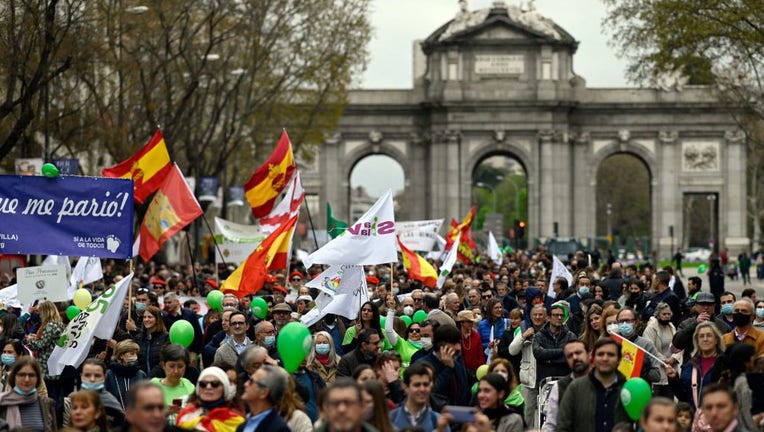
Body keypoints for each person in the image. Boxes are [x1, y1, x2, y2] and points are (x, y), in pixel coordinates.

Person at [556, 337, 631, 432]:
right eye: (600, 354)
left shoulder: (628, 389)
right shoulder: (575, 388)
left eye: (611, 355)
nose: (605, 358)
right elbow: (563, 426)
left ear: (619, 359)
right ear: (593, 358)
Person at [666, 322, 725, 411]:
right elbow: (683, 396)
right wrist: (674, 379)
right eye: (701, 336)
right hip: (695, 419)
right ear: (697, 341)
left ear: (716, 340)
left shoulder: (725, 363)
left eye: (709, 335)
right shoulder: (690, 365)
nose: (705, 339)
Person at [508, 303, 546, 428]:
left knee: (545, 416)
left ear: (546, 317)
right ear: (530, 316)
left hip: (545, 379)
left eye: (541, 314)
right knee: (526, 415)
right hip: (528, 379)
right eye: (535, 314)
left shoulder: (550, 330)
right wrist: (524, 337)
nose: (538, 317)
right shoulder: (524, 328)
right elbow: (512, 350)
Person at [176, 366, 245, 432]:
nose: (208, 387)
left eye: (215, 384)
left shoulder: (236, 422)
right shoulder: (185, 417)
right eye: (203, 384)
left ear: (225, 389)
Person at [542, 340, 591, 432]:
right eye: (570, 356)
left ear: (589, 354)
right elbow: (551, 424)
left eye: (578, 353)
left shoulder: (601, 382)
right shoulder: (559, 387)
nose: (575, 357)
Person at [418, 324, 470, 406]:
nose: (458, 347)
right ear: (440, 345)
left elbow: (464, 390)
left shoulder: (458, 361)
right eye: (453, 343)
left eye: (459, 343)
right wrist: (448, 368)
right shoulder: (423, 365)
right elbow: (433, 392)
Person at [63, 358, 124, 428]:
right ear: (81, 376)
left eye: (97, 375)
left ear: (104, 377)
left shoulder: (112, 403)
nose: (92, 379)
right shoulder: (70, 400)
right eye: (87, 375)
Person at [389, 362, 450, 431]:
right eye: (417, 385)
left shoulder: (438, 421)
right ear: (405, 386)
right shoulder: (391, 419)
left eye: (426, 384)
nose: (422, 389)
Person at [0, 357, 56, 431]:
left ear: (38, 378)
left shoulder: (46, 403)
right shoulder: (2, 402)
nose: (27, 379)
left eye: (31, 375)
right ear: (14, 377)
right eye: (22, 375)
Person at [25, 300, 65, 406]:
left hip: (47, 366)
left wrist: (28, 340)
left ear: (46, 311)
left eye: (41, 312)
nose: (39, 315)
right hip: (54, 364)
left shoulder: (50, 325)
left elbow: (41, 345)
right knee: (56, 394)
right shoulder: (59, 323)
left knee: (51, 396)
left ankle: (53, 418)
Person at [533, 302, 576, 390]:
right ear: (548, 317)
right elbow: (538, 353)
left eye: (561, 315)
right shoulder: (540, 335)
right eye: (556, 315)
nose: (559, 318)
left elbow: (573, 356)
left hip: (565, 381)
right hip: (545, 382)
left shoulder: (570, 336)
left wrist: (548, 359)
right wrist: (563, 351)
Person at [673, 292, 730, 357]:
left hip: (717, 364)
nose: (705, 307)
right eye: (702, 304)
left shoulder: (723, 326)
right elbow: (677, 343)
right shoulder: (686, 324)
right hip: (692, 364)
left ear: (714, 306)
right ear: (696, 306)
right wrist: (695, 324)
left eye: (709, 304)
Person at [613, 308, 663, 384]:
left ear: (636, 323)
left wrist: (641, 366)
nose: (624, 324)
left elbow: (656, 376)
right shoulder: (612, 343)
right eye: (621, 321)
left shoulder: (646, 344)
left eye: (627, 321)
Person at [642, 302, 681, 397]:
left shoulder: (672, 327)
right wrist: (664, 361)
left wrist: (674, 358)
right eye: (664, 314)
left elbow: (678, 345)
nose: (667, 316)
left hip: (671, 368)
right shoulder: (651, 329)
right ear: (658, 315)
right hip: (658, 369)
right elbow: (650, 348)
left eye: (668, 314)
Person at [718, 343, 760, 430]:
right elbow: (746, 411)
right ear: (746, 361)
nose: (755, 359)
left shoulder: (732, 379)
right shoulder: (743, 382)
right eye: (753, 356)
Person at [150, 344, 196, 420]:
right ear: (163, 365)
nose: (176, 371)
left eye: (180, 366)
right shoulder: (153, 386)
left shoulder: (189, 386)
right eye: (171, 366)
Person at [106, 339, 148, 409]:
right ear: (121, 355)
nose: (135, 357)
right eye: (132, 354)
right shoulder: (109, 375)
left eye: (136, 354)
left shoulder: (141, 374)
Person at [136, 305, 171, 374]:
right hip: (142, 380)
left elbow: (165, 360)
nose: (146, 319)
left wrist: (151, 376)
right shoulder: (138, 338)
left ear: (157, 319)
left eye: (150, 317)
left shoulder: (166, 337)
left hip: (159, 378)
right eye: (144, 317)